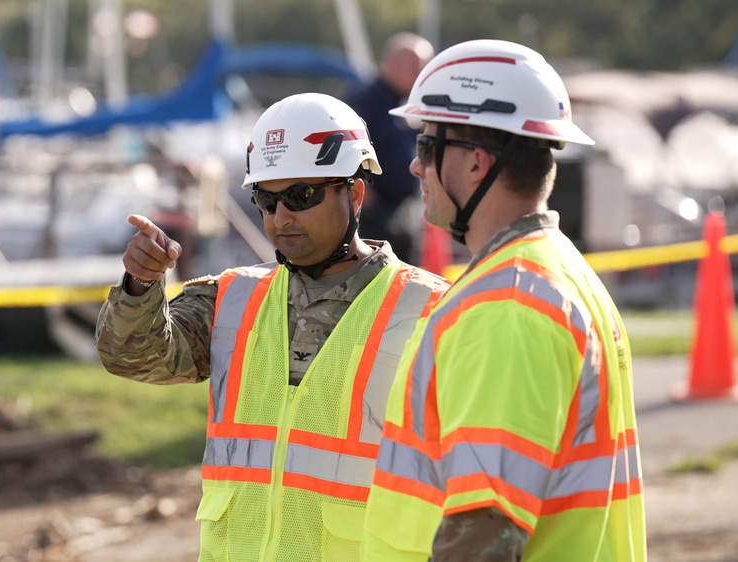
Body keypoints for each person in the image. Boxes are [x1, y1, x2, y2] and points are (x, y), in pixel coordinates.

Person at [95, 92, 449, 561]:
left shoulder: (431, 310)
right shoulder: (232, 296)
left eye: (301, 196)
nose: (281, 218)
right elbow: (132, 355)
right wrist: (141, 284)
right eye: (266, 199)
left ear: (355, 193)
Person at [361, 40, 647, 561]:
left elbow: (483, 532)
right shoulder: (554, 270)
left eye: (427, 146)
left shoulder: (506, 306)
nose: (415, 167)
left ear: (476, 163)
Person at [344, 32, 434, 263]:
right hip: (374, 220)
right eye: (419, 67)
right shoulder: (364, 101)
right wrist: (365, 198)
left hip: (402, 214)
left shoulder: (402, 104)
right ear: (398, 64)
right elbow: (343, 149)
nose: (422, 76)